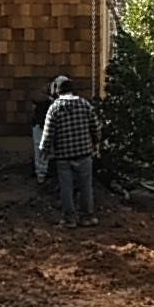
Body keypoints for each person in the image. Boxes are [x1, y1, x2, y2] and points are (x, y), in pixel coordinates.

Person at [38, 76, 100, 228]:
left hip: (64, 156)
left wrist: (44, 151)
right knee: (86, 186)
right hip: (84, 153)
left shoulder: (54, 108)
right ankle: (88, 217)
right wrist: (96, 142)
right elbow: (96, 127)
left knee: (66, 187)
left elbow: (48, 133)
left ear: (58, 91)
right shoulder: (85, 104)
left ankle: (69, 219)